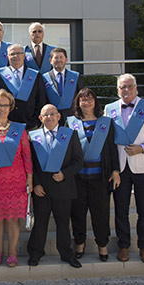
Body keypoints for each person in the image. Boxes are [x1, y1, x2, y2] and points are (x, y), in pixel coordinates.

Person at [105, 74, 144, 264]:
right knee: (121, 209)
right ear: (117, 90)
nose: (126, 90)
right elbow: (109, 140)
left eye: (129, 86)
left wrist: (143, 147)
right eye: (122, 87)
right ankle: (123, 245)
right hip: (120, 168)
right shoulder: (110, 109)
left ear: (136, 87)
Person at [27, 103, 84, 268]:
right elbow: (32, 165)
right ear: (40, 118)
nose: (49, 117)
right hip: (42, 189)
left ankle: (67, 254)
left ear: (59, 116)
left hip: (63, 186)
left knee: (63, 223)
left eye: (53, 114)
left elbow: (78, 161)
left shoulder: (70, 135)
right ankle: (35, 253)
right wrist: (36, 184)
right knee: (40, 223)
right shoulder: (33, 136)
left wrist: (64, 174)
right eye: (46, 114)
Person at [67, 88, 120, 261]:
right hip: (78, 178)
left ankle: (102, 246)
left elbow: (112, 149)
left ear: (95, 102)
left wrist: (115, 170)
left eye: (89, 99)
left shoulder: (106, 123)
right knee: (78, 213)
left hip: (100, 178)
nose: (86, 102)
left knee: (101, 213)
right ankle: (80, 243)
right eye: (82, 100)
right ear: (78, 103)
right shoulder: (71, 123)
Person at [0, 88, 32, 267]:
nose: (2, 108)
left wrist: (30, 179)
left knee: (12, 218)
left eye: (5, 105)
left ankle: (12, 253)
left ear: (10, 107)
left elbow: (27, 155)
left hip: (16, 180)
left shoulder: (19, 130)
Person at [0, 44, 46, 131]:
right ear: (7, 56)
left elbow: (41, 101)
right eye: (12, 54)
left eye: (19, 53)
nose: (15, 56)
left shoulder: (35, 75)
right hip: (5, 125)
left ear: (24, 56)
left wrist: (36, 123)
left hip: (30, 125)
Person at [43, 48, 83, 123]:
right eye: (56, 58)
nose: (59, 60)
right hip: (52, 118)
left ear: (66, 59)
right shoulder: (44, 78)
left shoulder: (75, 76)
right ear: (50, 60)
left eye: (61, 57)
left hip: (72, 117)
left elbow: (80, 96)